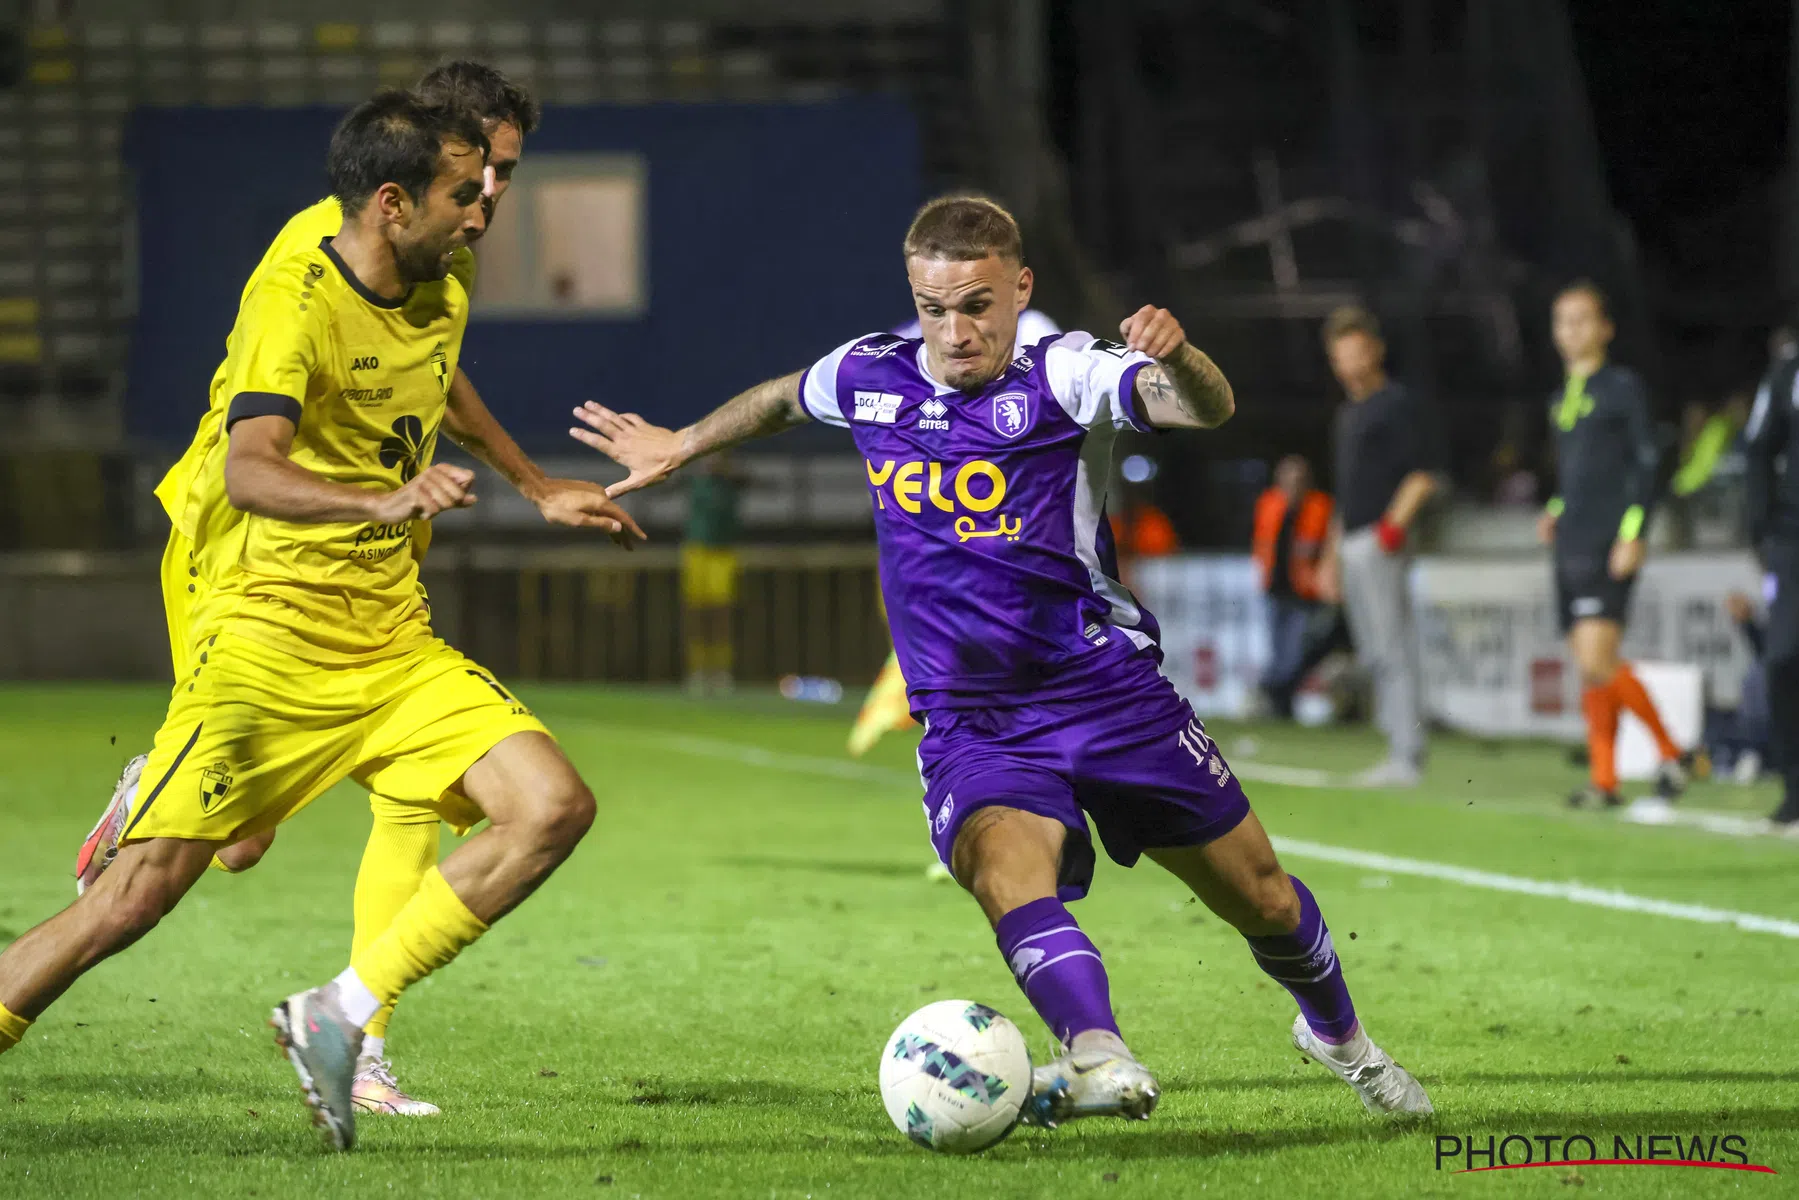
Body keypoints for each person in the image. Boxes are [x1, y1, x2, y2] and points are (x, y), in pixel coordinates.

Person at [570, 194, 1430, 1125]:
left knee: (1261, 897)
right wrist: (683, 442)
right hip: (974, 721)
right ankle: (1097, 1054)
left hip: (1107, 693)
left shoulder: (1064, 372)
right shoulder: (871, 373)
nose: (955, 331)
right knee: (1001, 872)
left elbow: (1200, 407)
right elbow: (784, 396)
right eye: (935, 308)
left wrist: (1177, 355)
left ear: (1020, 288)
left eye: (977, 305)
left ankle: (1338, 1036)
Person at [2, 92, 643, 1154]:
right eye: (465, 189)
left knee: (549, 806)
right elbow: (250, 469)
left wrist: (533, 485)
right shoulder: (298, 291)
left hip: (388, 640)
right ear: (390, 203)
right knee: (137, 901)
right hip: (263, 633)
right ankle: (160, 779)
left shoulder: (442, 263)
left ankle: (340, 1015)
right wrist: (378, 501)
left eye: (494, 180)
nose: (485, 208)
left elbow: (434, 380)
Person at [851, 308, 1067, 757]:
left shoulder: (1035, 335)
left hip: (1009, 535)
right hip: (926, 536)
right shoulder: (897, 346)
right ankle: (914, 709)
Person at [1537, 281, 1686, 809]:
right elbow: (1577, 475)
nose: (1571, 330)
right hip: (1571, 541)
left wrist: (1634, 532)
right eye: (1563, 320)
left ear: (1605, 328)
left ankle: (1676, 753)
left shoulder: (1623, 388)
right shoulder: (1560, 398)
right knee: (1589, 666)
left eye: (1582, 319)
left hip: (1607, 541)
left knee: (1600, 660)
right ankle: (1605, 780)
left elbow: (1647, 464)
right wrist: (1555, 511)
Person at [1315, 307, 1443, 787]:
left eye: (1355, 350)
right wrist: (1331, 555)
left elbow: (1424, 471)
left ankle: (1407, 756)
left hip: (1381, 539)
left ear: (1375, 350)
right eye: (1339, 354)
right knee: (1374, 652)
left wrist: (1394, 525)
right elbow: (1345, 494)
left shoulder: (1397, 404)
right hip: (1353, 542)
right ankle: (1396, 746)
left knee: (1394, 647)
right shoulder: (1348, 415)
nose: (1348, 362)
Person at [1743, 327, 1799, 827]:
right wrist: (1758, 526)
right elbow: (1759, 447)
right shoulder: (1788, 373)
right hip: (1792, 540)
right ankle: (1794, 785)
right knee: (1782, 660)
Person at [1253, 455, 1333, 718]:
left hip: (1304, 592)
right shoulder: (1269, 503)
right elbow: (1262, 542)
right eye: (1288, 478)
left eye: (1298, 479)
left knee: (1295, 653)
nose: (1292, 484)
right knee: (1278, 650)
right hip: (1275, 589)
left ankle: (1276, 694)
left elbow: (1321, 546)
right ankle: (1279, 706)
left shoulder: (1319, 506)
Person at [681, 454, 744, 694]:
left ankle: (720, 670)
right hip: (696, 552)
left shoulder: (732, 483)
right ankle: (697, 669)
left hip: (723, 553)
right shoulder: (696, 482)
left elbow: (753, 481)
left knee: (721, 614)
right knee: (696, 613)